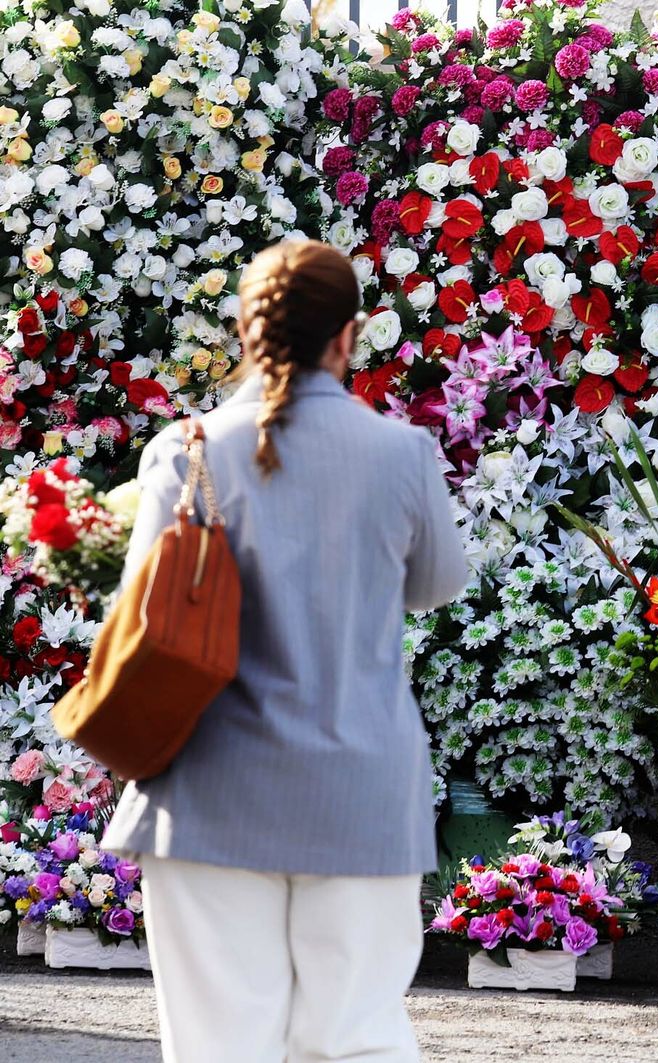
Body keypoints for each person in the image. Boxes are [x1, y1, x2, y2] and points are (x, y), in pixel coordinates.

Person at [103, 240, 469, 1061]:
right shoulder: (403, 454)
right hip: (362, 792)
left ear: (247, 329)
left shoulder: (186, 450)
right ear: (350, 335)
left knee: (219, 1045)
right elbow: (437, 584)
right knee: (358, 1039)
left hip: (209, 793)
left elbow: (137, 613)